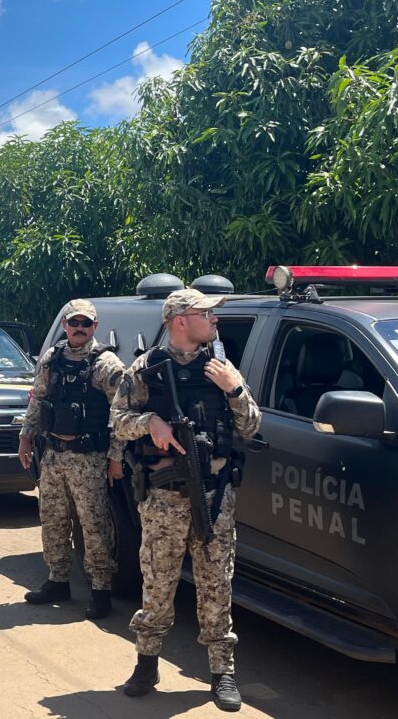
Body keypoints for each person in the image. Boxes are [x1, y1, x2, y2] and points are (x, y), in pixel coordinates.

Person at [111, 289, 261, 712]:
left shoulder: (220, 367)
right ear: (180, 320)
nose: (214, 320)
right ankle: (146, 663)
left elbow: (250, 424)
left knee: (217, 582)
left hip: (214, 495)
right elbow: (118, 422)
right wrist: (150, 422)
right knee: (157, 582)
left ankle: (221, 672)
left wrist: (233, 390)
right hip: (163, 497)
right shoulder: (146, 368)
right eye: (206, 313)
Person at [17, 299, 125, 620]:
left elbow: (121, 414)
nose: (79, 328)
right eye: (73, 322)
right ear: (65, 324)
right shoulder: (52, 358)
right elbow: (38, 399)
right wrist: (25, 437)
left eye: (85, 323)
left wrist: (115, 458)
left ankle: (101, 589)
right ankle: (58, 580)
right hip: (53, 455)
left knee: (93, 524)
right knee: (52, 519)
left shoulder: (106, 365)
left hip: (89, 457)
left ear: (95, 326)